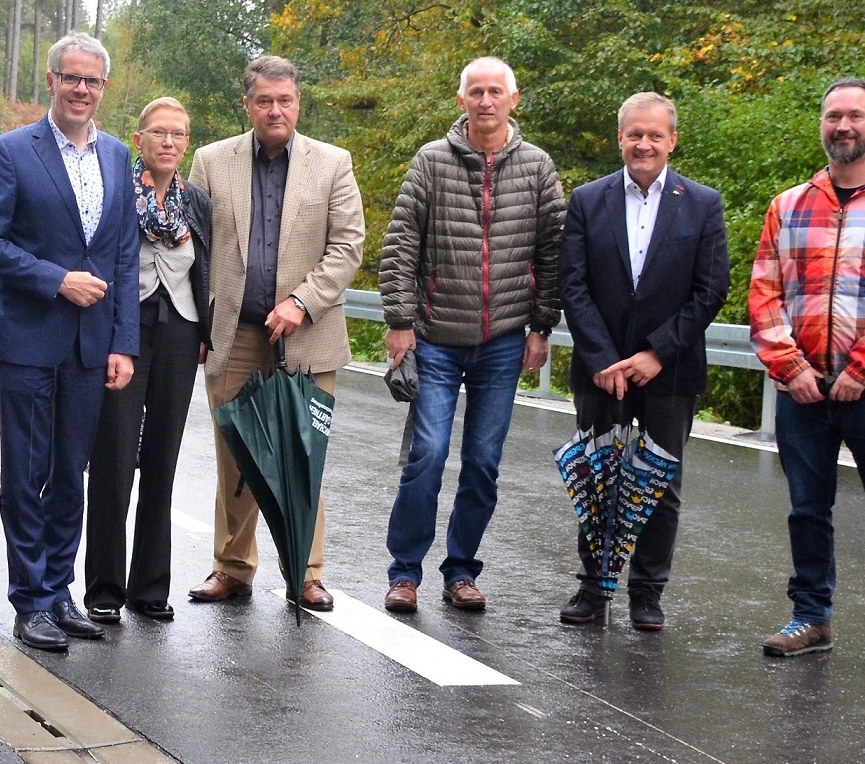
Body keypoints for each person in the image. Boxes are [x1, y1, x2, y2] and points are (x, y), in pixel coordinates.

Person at [749, 78, 865, 675]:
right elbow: (764, 295)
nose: (844, 126)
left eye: (855, 115)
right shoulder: (788, 206)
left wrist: (862, 368)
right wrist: (790, 367)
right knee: (807, 510)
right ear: (821, 125)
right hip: (802, 388)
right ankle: (811, 618)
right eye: (833, 116)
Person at [378, 56, 563, 614]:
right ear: (461, 101)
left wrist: (541, 326)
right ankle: (404, 572)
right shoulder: (431, 160)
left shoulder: (537, 166)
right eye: (476, 92)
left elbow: (553, 253)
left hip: (503, 340)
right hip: (434, 336)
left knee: (483, 462)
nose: (486, 101)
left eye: (495, 91)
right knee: (428, 455)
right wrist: (399, 322)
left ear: (513, 99)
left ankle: (461, 571)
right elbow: (401, 243)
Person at [185, 56, 365, 609]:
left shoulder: (332, 163)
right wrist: (198, 324)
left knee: (302, 454)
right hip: (234, 335)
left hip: (308, 336)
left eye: (284, 100)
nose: (275, 110)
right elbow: (193, 250)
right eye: (264, 100)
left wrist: (301, 302)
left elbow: (348, 247)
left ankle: (306, 571)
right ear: (248, 105)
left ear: (297, 103)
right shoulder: (211, 161)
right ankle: (232, 567)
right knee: (235, 456)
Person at [0, 34, 139, 651]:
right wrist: (56, 280)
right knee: (27, 476)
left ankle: (58, 590)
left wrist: (123, 343)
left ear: (104, 88)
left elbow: (124, 255)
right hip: (27, 339)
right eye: (70, 78)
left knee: (71, 475)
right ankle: (30, 601)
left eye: (91, 81)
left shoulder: (118, 156)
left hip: (90, 347)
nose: (80, 89)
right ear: (50, 81)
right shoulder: (10, 152)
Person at [557, 92, 729, 630]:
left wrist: (656, 353)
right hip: (601, 369)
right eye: (635, 134)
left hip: (669, 369)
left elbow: (711, 288)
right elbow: (572, 284)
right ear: (620, 139)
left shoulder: (702, 203)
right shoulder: (588, 200)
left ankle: (647, 593)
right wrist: (602, 358)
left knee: (660, 484)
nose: (644, 144)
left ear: (672, 141)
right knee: (596, 478)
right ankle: (593, 587)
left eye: (655, 135)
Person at [85, 96, 212, 623]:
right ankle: (104, 589)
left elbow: (205, 266)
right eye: (158, 132)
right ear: (139, 140)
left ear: (187, 144)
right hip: (126, 330)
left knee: (163, 456)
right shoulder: (117, 191)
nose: (168, 141)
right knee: (114, 456)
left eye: (178, 134)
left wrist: (205, 332)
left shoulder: (196, 200)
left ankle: (150, 587)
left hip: (181, 329)